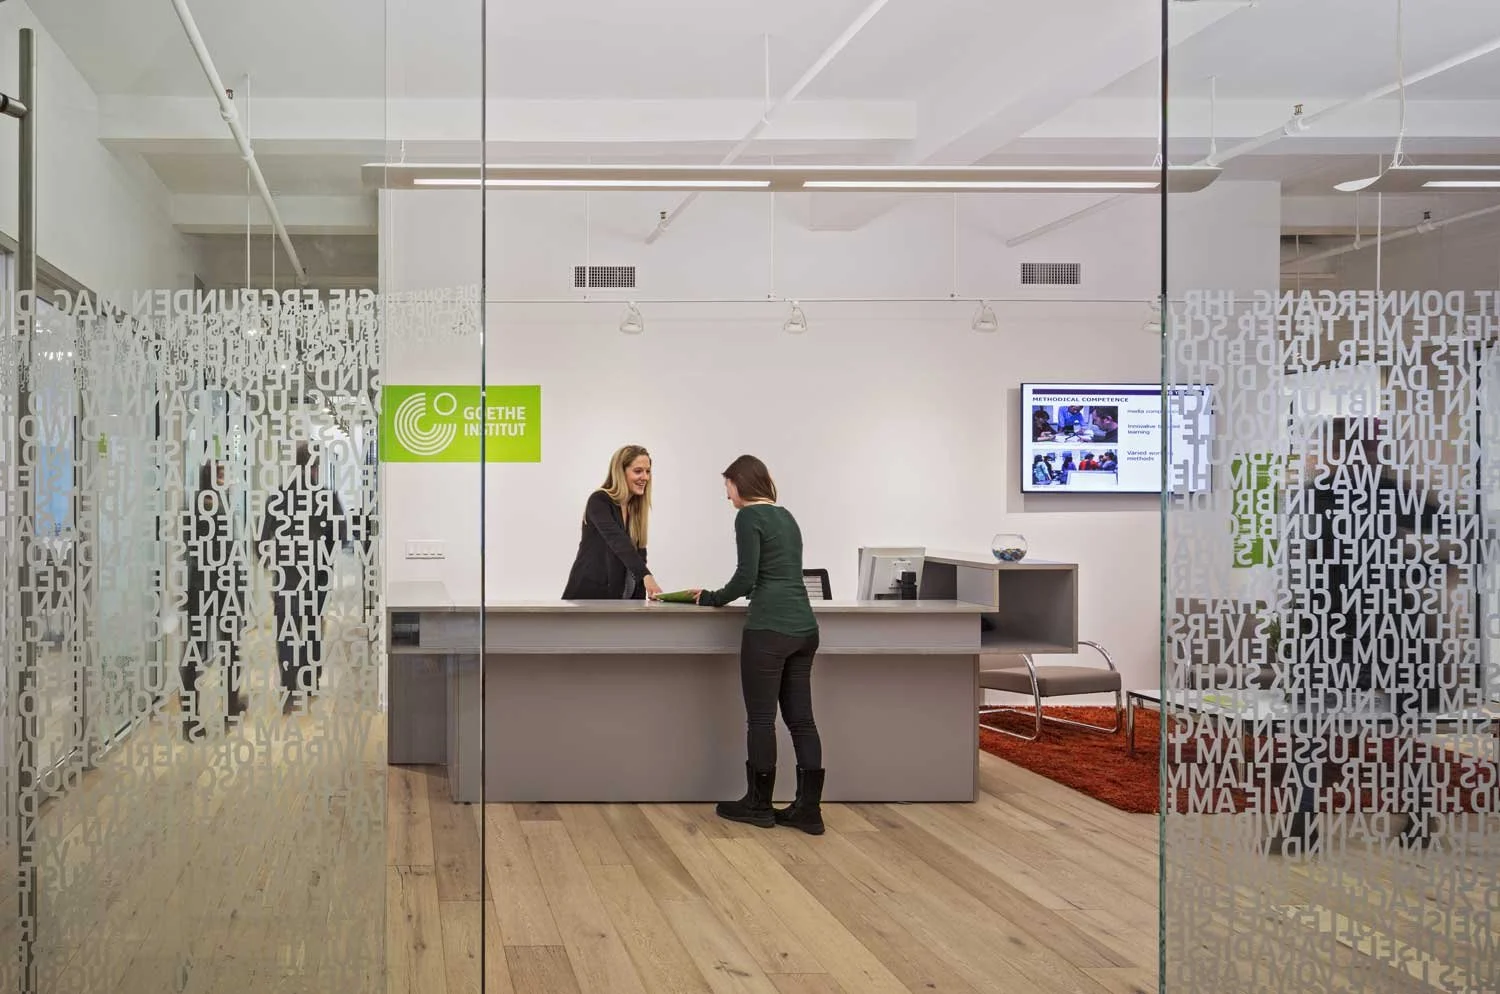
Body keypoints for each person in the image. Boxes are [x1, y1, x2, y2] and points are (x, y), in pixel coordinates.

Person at [690, 455, 824, 834]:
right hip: (804, 629)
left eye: (728, 487)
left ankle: (759, 805)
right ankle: (808, 810)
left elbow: (746, 577)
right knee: (802, 720)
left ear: (740, 483)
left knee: (762, 720)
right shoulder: (786, 516)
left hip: (769, 629)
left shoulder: (748, 517)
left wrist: (710, 597)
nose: (727, 496)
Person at [259, 441, 345, 714]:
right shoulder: (327, 498)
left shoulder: (277, 497)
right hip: (316, 579)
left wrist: (275, 565)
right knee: (312, 631)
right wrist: (323, 560)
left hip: (287, 578)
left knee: (287, 634)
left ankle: (289, 691)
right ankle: (310, 683)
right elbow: (341, 537)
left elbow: (262, 541)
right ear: (316, 468)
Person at [182, 459, 246, 740]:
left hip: (208, 585)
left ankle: (224, 709)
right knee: (213, 650)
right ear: (210, 477)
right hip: (213, 585)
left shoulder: (210, 501)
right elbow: (217, 545)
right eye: (220, 474)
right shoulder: (209, 503)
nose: (225, 478)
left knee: (218, 649)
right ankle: (197, 718)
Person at [562, 445, 662, 600]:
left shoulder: (635, 510)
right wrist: (646, 575)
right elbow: (618, 541)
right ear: (620, 472)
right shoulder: (599, 501)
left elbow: (639, 557)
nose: (645, 477)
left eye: (647, 471)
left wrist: (641, 602)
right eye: (638, 471)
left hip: (620, 601)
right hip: (587, 598)